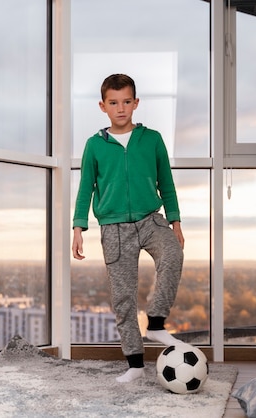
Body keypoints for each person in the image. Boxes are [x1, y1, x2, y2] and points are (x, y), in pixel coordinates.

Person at [72, 73, 185, 383]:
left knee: (173, 254)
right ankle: (135, 364)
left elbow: (167, 183)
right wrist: (78, 227)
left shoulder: (152, 139)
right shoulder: (95, 145)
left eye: (126, 102)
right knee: (123, 297)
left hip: (151, 219)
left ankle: (157, 322)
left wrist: (174, 220)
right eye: (113, 103)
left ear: (135, 103)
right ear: (102, 106)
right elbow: (85, 189)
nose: (120, 108)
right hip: (114, 228)